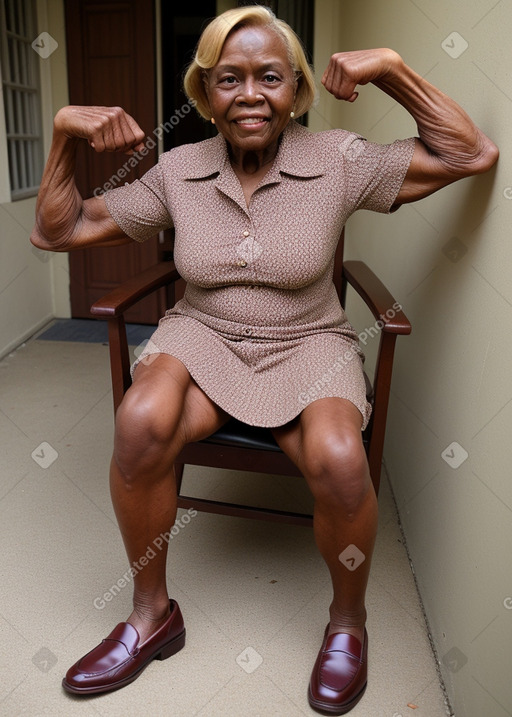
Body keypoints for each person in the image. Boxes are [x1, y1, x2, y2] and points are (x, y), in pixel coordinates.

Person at [31, 5, 498, 714]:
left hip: (309, 342)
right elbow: (57, 230)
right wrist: (64, 133)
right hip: (202, 335)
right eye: (230, 78)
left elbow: (471, 154)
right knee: (140, 420)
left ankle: (348, 623)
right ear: (207, 93)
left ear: (297, 90)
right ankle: (151, 615)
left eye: (270, 76)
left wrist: (395, 71)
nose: (250, 93)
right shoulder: (179, 168)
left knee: (342, 459)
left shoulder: (338, 159)